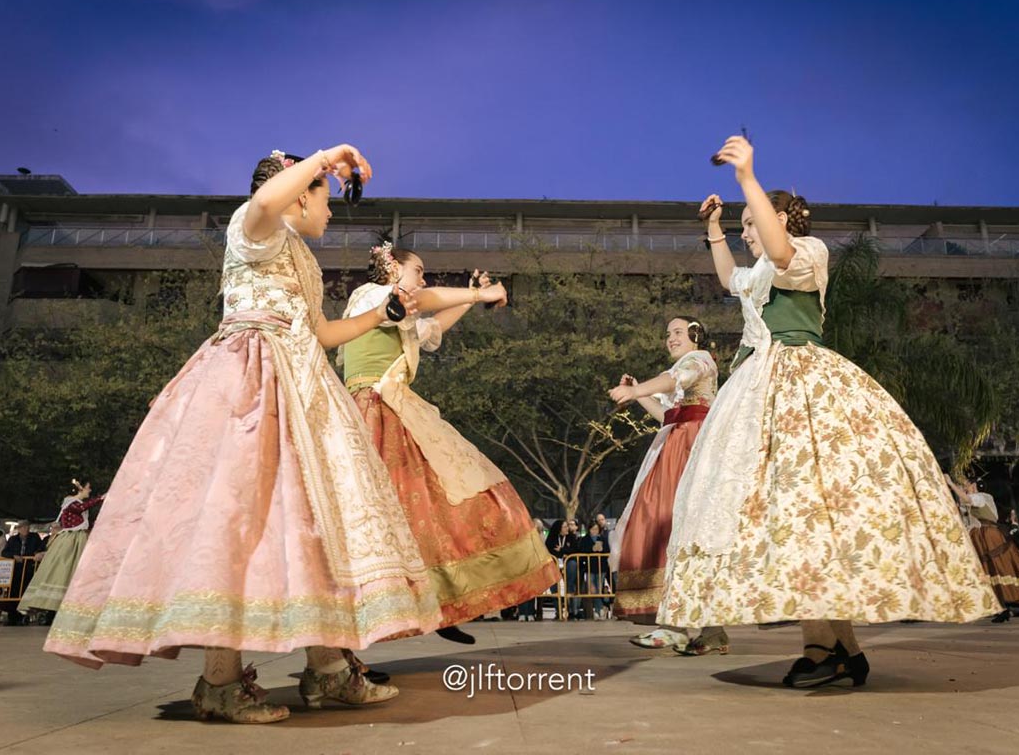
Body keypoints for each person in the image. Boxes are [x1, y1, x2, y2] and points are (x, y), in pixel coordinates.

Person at [40, 146, 445, 725]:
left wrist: (384, 317)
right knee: (233, 522)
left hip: (305, 388)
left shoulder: (303, 257)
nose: (330, 212)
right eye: (325, 198)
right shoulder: (254, 225)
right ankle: (220, 683)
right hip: (249, 388)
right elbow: (263, 202)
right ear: (299, 192)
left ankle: (327, 670)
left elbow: (325, 332)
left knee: (313, 524)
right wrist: (327, 156)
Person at [657, 136, 999, 690]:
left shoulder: (807, 252)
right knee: (793, 520)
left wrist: (747, 178)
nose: (748, 232)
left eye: (753, 223)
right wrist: (715, 230)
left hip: (802, 384)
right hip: (755, 392)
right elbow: (729, 280)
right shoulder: (757, 272)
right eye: (745, 226)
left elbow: (782, 252)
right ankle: (841, 650)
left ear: (780, 218)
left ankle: (825, 648)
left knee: (807, 510)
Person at [340, 247, 559, 651]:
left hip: (393, 409)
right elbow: (419, 302)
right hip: (374, 411)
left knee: (445, 503)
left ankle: (445, 601)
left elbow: (432, 327)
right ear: (392, 268)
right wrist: (480, 295)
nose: (422, 279)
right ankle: (362, 634)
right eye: (418, 271)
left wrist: (473, 299)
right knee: (375, 522)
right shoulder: (371, 296)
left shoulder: (394, 314)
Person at [608, 317, 727, 655]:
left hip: (689, 451)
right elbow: (667, 415)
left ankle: (674, 626)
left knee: (668, 525)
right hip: (676, 445)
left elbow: (674, 378)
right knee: (680, 529)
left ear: (695, 336)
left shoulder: (700, 360)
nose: (670, 339)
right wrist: (638, 397)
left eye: (677, 333)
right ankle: (711, 630)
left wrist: (636, 389)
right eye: (668, 334)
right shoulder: (684, 372)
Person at [946, 476, 1019, 621]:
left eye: (966, 485)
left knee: (995, 568)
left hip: (988, 536)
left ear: (974, 485)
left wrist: (951, 484)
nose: (965, 488)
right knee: (987, 570)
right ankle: (999, 608)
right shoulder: (972, 501)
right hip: (980, 536)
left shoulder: (983, 497)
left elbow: (969, 500)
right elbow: (963, 509)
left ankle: (1003, 605)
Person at [18, 480, 106, 618]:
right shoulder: (70, 503)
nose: (89, 491)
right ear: (79, 488)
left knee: (73, 569)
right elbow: (81, 508)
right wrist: (101, 498)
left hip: (77, 538)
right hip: (71, 539)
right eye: (88, 488)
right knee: (62, 568)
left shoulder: (74, 503)